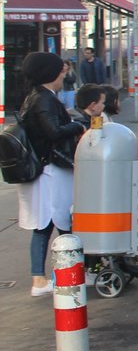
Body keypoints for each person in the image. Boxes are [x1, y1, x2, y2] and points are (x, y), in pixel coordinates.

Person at [16, 52, 87, 297]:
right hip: (51, 171)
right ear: (49, 74)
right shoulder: (43, 99)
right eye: (60, 71)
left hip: (47, 170)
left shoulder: (36, 97)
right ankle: (49, 277)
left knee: (50, 224)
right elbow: (53, 132)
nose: (63, 74)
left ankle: (62, 273)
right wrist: (79, 126)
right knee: (54, 223)